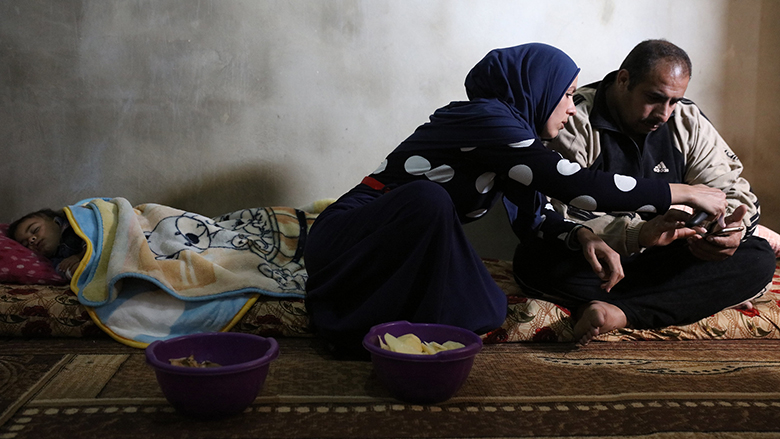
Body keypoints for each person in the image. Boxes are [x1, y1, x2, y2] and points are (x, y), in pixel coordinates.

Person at [303, 43, 727, 357]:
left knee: (487, 309)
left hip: (389, 247)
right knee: (428, 200)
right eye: (565, 95)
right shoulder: (486, 120)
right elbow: (580, 185)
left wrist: (582, 237)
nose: (573, 110)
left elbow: (536, 214)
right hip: (346, 238)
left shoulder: (513, 141)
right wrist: (682, 191)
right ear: (535, 89)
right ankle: (350, 327)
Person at [511, 39, 777, 345]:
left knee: (757, 258)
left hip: (662, 261)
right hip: (600, 260)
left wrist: (729, 231)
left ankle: (619, 312)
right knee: (534, 261)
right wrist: (637, 233)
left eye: (674, 101)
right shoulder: (576, 118)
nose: (664, 113)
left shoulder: (686, 120)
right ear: (624, 79)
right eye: (654, 98)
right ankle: (671, 301)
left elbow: (731, 188)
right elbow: (558, 212)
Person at [8, 208, 86, 279]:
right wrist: (74, 270)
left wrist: (79, 256)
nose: (31, 240)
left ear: (57, 221)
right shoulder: (52, 261)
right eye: (26, 244)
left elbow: (93, 234)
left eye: (35, 229)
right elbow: (63, 271)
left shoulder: (76, 224)